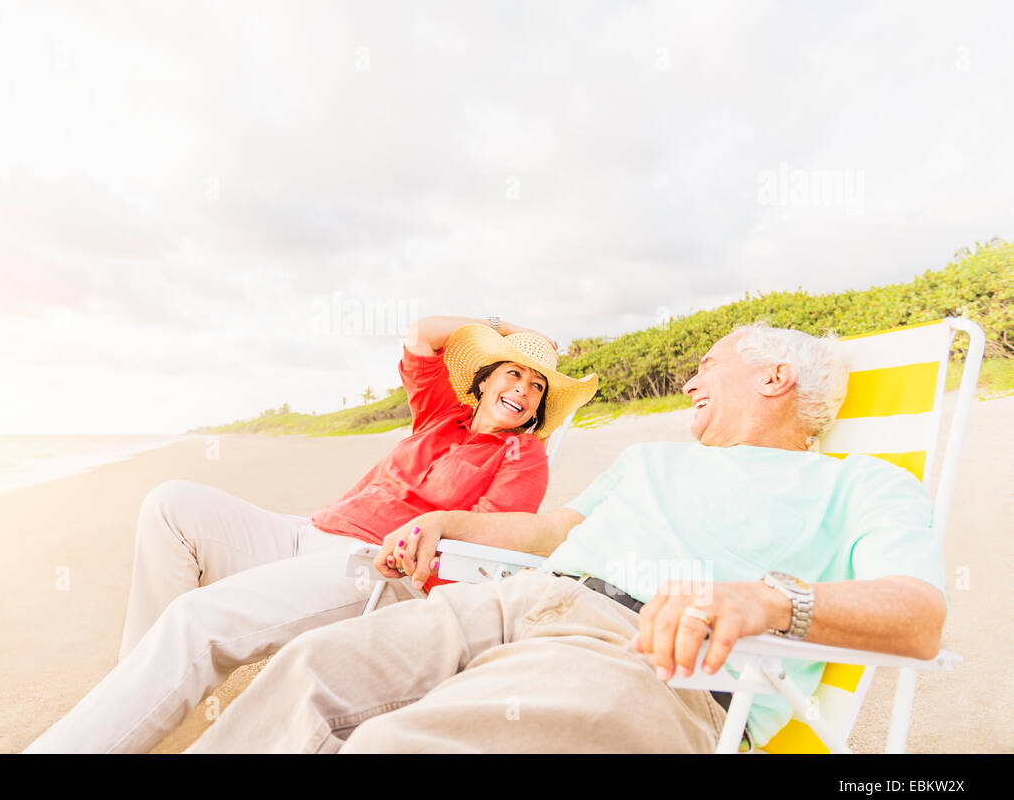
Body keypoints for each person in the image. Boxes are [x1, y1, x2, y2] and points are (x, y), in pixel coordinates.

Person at [185, 323, 948, 753]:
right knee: (304, 673)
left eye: (708, 363)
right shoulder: (651, 458)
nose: (689, 383)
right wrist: (446, 521)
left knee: (393, 744)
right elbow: (553, 529)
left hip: (644, 659)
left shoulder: (860, 484)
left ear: (775, 377)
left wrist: (768, 600)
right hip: (521, 600)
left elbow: (918, 615)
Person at [25, 315, 597, 752]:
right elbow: (423, 334)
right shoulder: (439, 416)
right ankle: (144, 701)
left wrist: (426, 574)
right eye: (512, 373)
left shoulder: (525, 454)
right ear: (484, 381)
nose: (523, 391)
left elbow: (491, 543)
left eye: (537, 387)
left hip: (370, 568)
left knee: (197, 620)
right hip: (308, 532)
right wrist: (504, 330)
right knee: (171, 505)